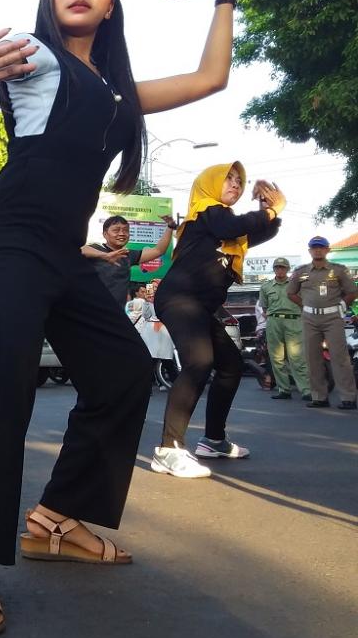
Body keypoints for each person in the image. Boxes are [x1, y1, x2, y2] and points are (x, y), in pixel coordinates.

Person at [0, 0, 237, 634]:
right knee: (8, 376)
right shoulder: (35, 54)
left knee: (125, 372)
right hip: (9, 235)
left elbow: (211, 77)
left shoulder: (116, 92)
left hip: (62, 252)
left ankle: (54, 519)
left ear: (112, 3)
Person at [151, 163, 283, 478]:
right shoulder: (207, 211)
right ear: (209, 183)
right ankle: (168, 450)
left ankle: (213, 440)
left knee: (231, 365)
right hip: (180, 298)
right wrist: (269, 211)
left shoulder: (225, 225)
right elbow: (231, 226)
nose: (235, 184)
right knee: (199, 361)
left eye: (240, 181)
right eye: (228, 179)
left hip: (200, 306)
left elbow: (262, 230)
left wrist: (268, 208)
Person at [287, 237, 357, 410]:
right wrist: (304, 306)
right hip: (310, 319)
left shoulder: (338, 270)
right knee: (312, 358)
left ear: (327, 250)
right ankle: (319, 397)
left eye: (321, 247)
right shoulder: (301, 271)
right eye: (314, 248)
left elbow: (352, 291)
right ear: (309, 251)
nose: (317, 250)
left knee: (340, 358)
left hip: (333, 318)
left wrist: (342, 306)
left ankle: (348, 397)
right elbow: (291, 293)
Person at [82, 214, 175, 307]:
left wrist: (170, 227)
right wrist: (105, 255)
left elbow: (158, 251)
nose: (122, 233)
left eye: (126, 230)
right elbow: (79, 249)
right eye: (116, 230)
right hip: (93, 308)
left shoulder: (128, 254)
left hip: (117, 310)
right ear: (105, 234)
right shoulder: (96, 249)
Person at [260, 257, 310, 401]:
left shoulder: (297, 285)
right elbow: (264, 307)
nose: (280, 270)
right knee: (277, 358)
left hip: (293, 320)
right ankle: (284, 389)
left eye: (282, 267)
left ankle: (306, 390)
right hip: (274, 321)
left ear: (287, 269)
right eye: (277, 267)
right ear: (274, 269)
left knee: (297, 358)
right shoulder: (266, 286)